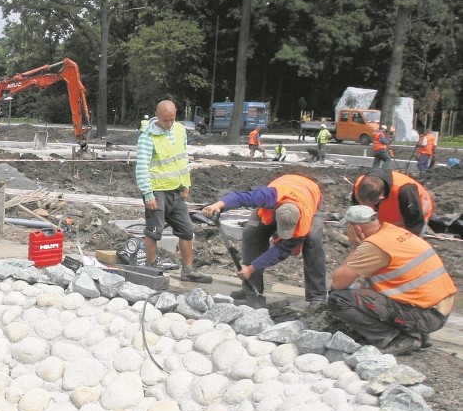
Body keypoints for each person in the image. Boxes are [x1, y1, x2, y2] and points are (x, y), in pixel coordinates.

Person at [328, 205, 456, 355]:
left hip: (425, 315)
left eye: (348, 228)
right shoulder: (395, 232)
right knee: (366, 291)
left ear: (357, 229)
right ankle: (418, 333)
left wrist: (357, 246)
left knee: (339, 299)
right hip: (439, 309)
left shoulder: (374, 246)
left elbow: (338, 283)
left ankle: (396, 339)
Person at [201, 174, 327, 305]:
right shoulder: (267, 195)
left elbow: (280, 251)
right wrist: (219, 204)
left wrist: (250, 268)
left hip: (311, 194)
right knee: (252, 232)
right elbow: (241, 197)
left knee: (313, 241)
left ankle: (317, 296)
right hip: (284, 186)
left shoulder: (304, 221)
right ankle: (251, 289)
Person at [136, 99, 212, 282]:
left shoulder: (179, 130)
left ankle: (188, 270)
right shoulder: (148, 137)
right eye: (165, 121)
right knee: (153, 232)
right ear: (157, 117)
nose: (169, 124)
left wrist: (185, 185)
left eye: (172, 119)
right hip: (157, 192)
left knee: (187, 231)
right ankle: (150, 268)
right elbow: (141, 168)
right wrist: (148, 194)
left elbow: (182, 159)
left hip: (176, 191)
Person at [350, 169, 433, 236]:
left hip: (413, 215)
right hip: (388, 216)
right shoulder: (360, 184)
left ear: (380, 198)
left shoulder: (405, 190)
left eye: (368, 205)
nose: (365, 208)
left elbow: (415, 224)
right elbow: (356, 209)